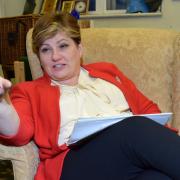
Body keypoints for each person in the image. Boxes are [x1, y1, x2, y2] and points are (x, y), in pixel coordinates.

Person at [0, 12, 180, 180]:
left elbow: (150, 111)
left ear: (79, 49)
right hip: (76, 163)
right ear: (39, 58)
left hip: (125, 157)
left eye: (63, 45)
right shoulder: (29, 91)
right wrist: (2, 103)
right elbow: (18, 132)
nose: (55, 56)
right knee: (133, 127)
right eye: (45, 50)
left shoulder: (108, 72)